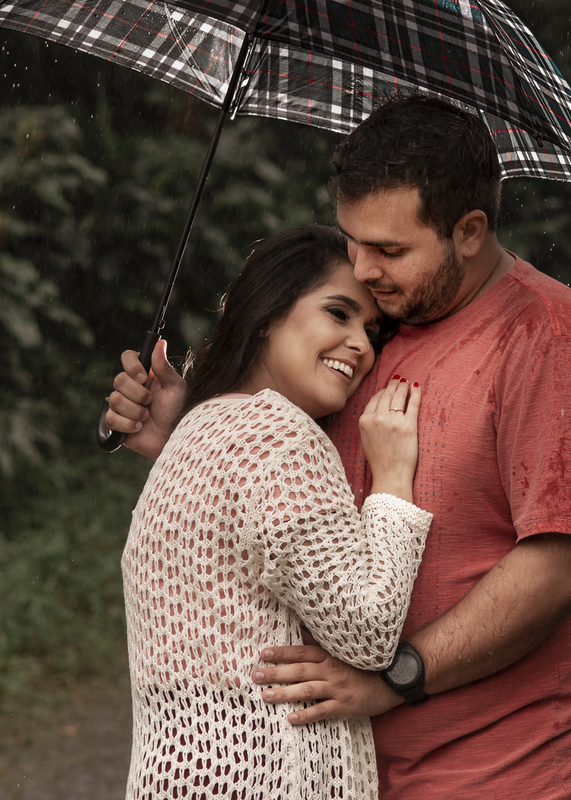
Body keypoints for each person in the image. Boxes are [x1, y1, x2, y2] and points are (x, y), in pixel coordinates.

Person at [106, 93, 571, 799]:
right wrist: (186, 433)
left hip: (509, 771)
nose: (365, 268)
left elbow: (565, 564)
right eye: (354, 241)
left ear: (469, 231)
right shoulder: (373, 331)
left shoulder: (546, 335)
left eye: (389, 249)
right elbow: (295, 500)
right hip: (357, 776)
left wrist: (397, 676)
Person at [120, 224, 431, 799]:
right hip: (264, 779)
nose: (362, 344)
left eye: (372, 330)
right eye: (338, 313)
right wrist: (391, 481)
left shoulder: (196, 430)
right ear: (266, 314)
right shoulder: (280, 438)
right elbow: (367, 629)